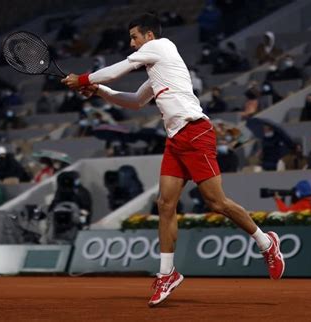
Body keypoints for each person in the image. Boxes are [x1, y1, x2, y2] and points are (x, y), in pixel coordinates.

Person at [61, 13, 285, 307]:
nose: (131, 44)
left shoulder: (162, 46)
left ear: (149, 36)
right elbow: (134, 101)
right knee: (165, 204)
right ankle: (167, 274)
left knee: (216, 202)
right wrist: (98, 89)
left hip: (196, 132)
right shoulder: (157, 69)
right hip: (176, 139)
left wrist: (84, 79)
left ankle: (266, 242)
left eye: (134, 37)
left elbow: (118, 69)